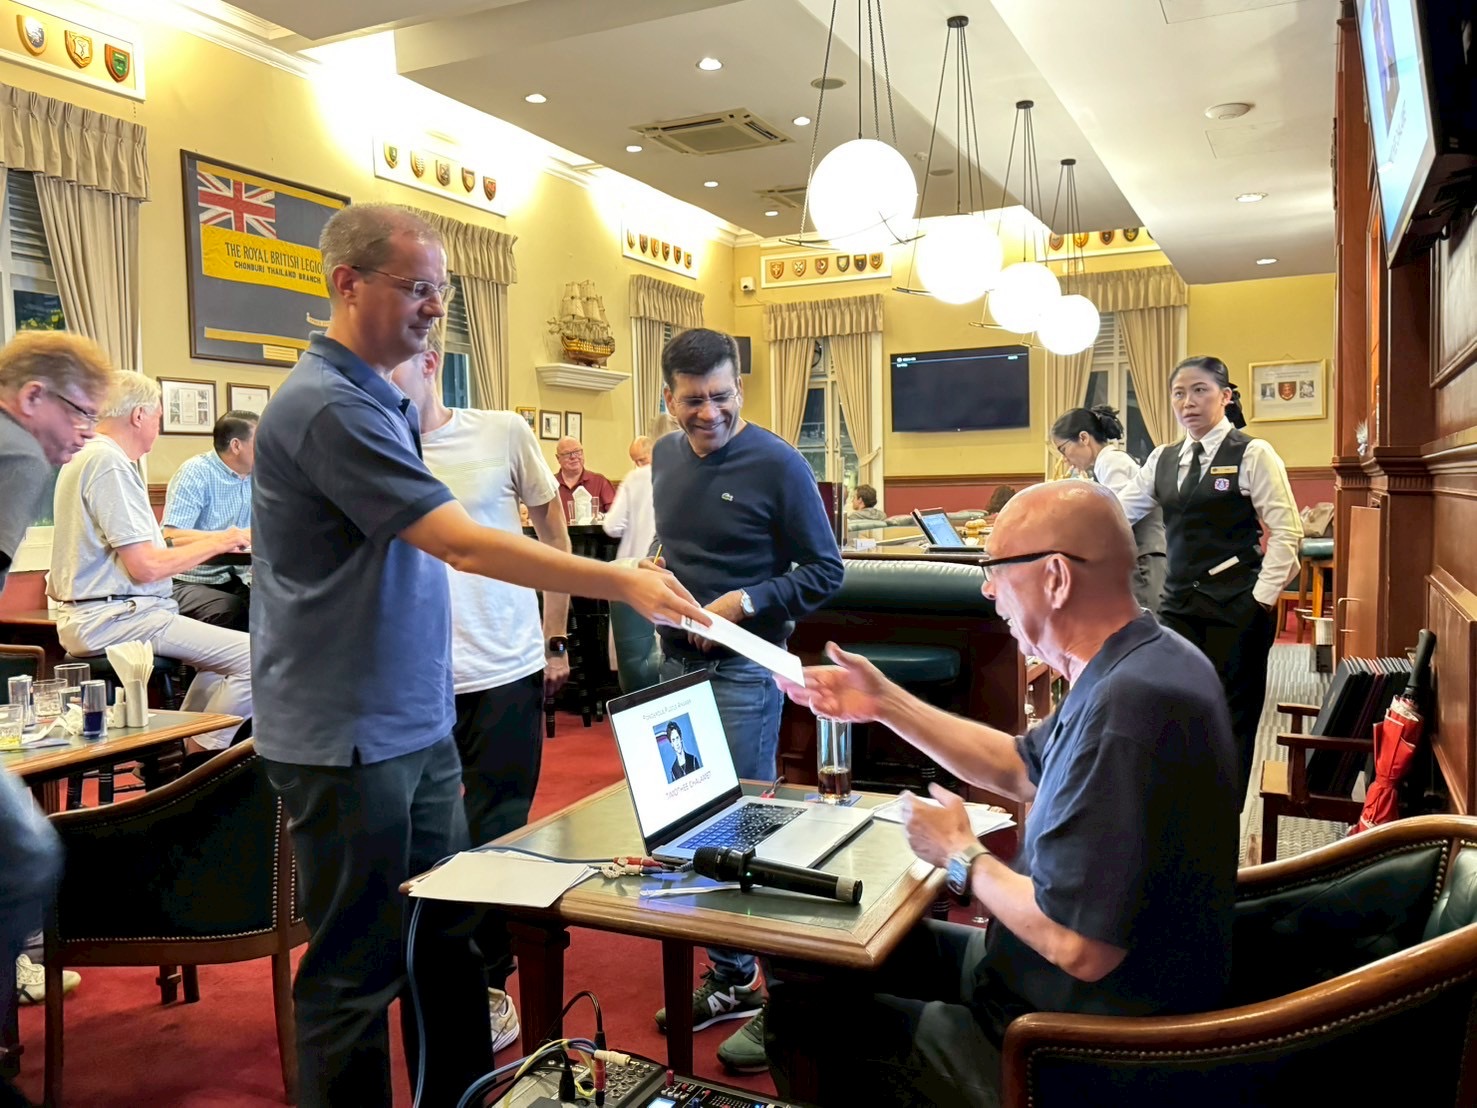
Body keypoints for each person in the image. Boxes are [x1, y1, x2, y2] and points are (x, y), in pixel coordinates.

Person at [250, 202, 704, 1108]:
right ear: (346, 285)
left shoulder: (377, 397)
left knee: (445, 939)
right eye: (418, 288)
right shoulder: (328, 404)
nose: (435, 308)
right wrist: (619, 580)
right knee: (355, 972)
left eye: (443, 291)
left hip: (410, 722)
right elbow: (458, 543)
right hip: (348, 735)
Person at [767, 481, 1240, 1106]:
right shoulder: (1144, 658)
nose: (989, 590)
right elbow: (1020, 766)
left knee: (800, 1021)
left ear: (1055, 578)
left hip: (1073, 1048)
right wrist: (884, 702)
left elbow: (1080, 946)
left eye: (995, 568)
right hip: (1033, 981)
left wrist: (963, 856)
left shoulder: (1131, 706)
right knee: (819, 958)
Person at [650, 326, 844, 1073]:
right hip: (672, 665)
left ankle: (783, 1003)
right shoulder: (664, 457)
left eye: (722, 396)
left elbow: (825, 570)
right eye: (693, 400)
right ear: (668, 400)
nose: (710, 413)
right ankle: (732, 978)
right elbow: (682, 549)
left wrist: (744, 601)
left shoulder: (778, 462)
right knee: (685, 828)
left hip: (744, 671)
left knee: (741, 833)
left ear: (740, 389)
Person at [389, 325, 572, 1055]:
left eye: (393, 366)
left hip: (503, 663)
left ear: (431, 363)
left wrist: (555, 637)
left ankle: (491, 978)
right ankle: (443, 972)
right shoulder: (371, 445)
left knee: (497, 826)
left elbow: (553, 537)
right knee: (428, 841)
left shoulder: (501, 433)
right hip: (411, 677)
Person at [1113, 355, 1302, 797]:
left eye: (1200, 390)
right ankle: (1181, 804)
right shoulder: (1162, 459)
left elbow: (1287, 532)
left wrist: (1260, 600)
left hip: (1236, 605)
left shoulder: (1253, 453)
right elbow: (1117, 512)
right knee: (1174, 705)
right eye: (1179, 393)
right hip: (1177, 606)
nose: (1188, 402)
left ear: (1225, 396)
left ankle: (1225, 811)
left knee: (1232, 715)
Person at [0, 331, 109, 1075]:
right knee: (25, 856)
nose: (84, 432)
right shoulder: (15, 452)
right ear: (32, 396)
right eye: (79, 413)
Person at [48, 371, 252, 755]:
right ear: (139, 415)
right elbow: (147, 567)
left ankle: (177, 747)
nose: (158, 426)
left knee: (221, 661)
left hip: (103, 612)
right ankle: (199, 759)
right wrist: (224, 540)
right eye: (158, 416)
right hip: (116, 618)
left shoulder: (89, 456)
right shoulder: (108, 463)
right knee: (259, 660)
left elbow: (154, 545)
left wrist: (224, 537)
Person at [1050, 404, 1167, 614]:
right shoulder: (1106, 463)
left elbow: (1119, 516)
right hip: (1139, 557)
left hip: (1142, 557)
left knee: (1144, 623)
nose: (1064, 459)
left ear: (1084, 438)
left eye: (1063, 449)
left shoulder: (1112, 462)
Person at [162, 410, 258, 632]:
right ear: (236, 445)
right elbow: (171, 536)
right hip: (186, 579)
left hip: (233, 575)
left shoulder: (258, 477)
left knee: (272, 605)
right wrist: (228, 537)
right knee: (230, 609)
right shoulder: (196, 472)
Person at [604, 414, 678, 564]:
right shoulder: (687, 475)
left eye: (642, 460)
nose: (638, 465)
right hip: (668, 563)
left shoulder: (635, 478)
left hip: (636, 562)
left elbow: (611, 526)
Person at [553, 436, 616, 521]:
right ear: (558, 458)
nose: (573, 457)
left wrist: (601, 517)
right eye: (567, 453)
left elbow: (617, 515)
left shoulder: (600, 482)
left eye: (577, 452)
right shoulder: (550, 484)